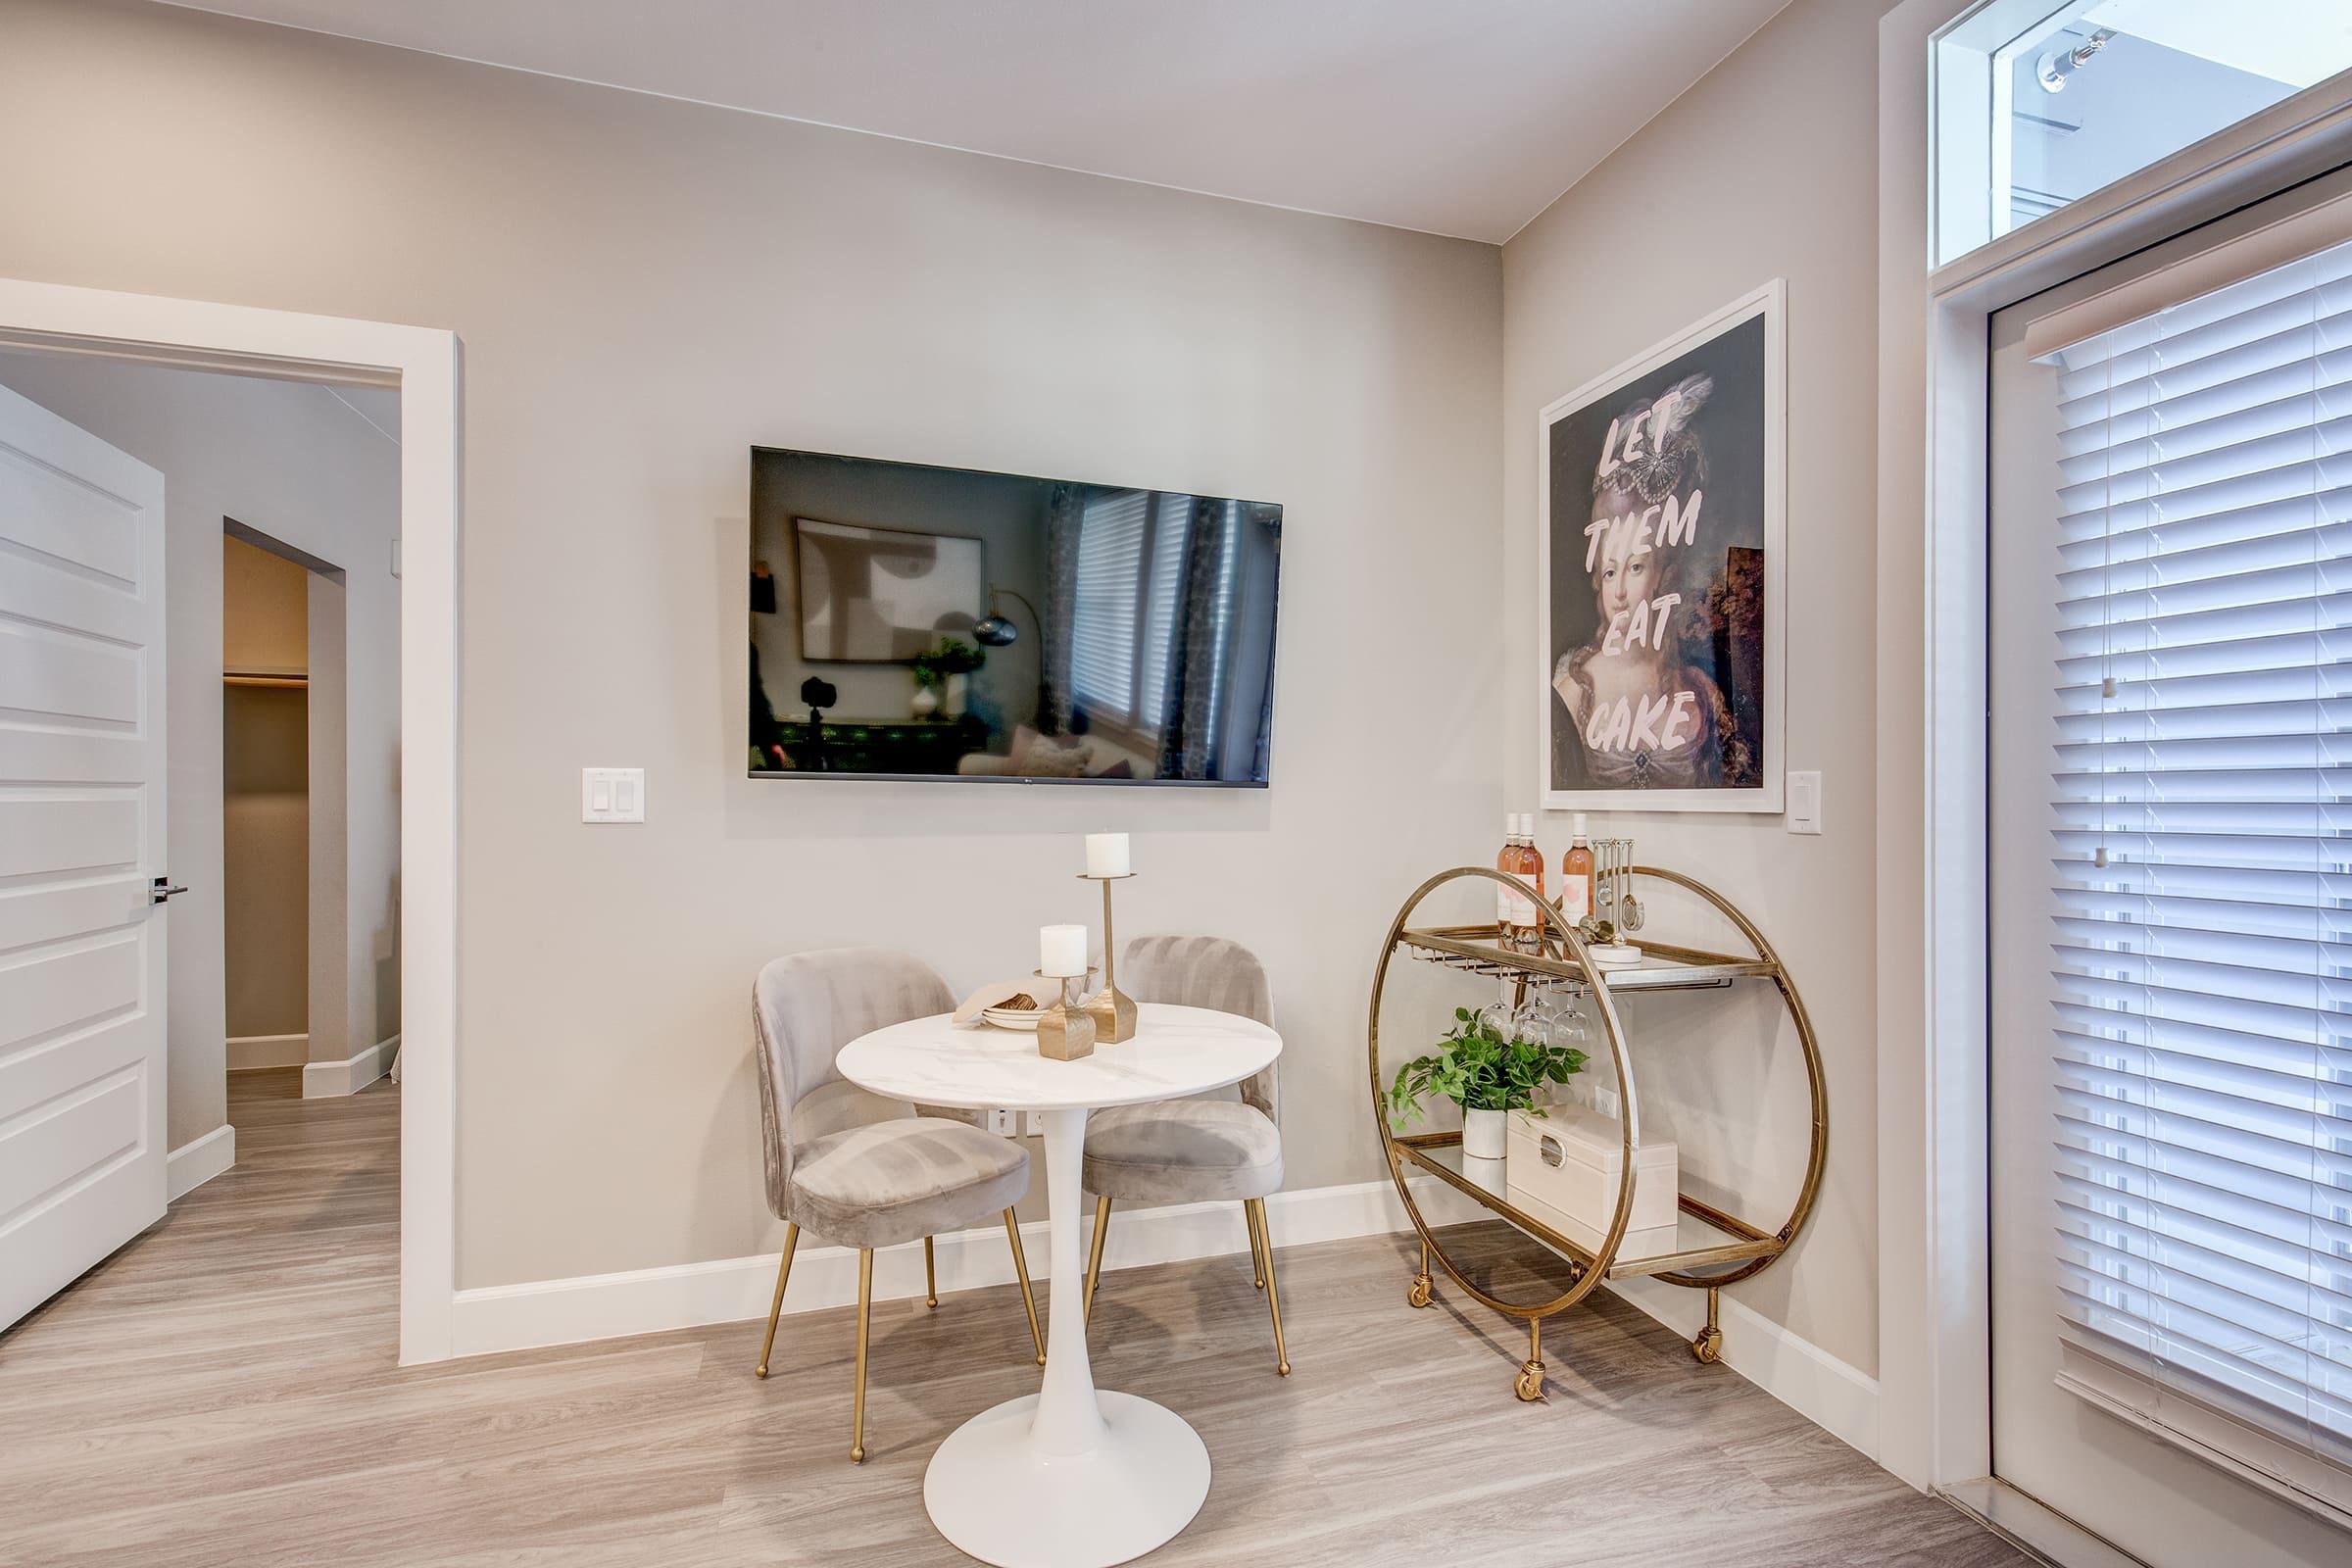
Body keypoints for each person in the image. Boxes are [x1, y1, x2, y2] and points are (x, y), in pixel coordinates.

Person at [1551, 372, 1750, 791]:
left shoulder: (1697, 691)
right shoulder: (1575, 689)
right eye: (1609, 573)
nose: (1619, 592)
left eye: (1636, 567)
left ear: (1666, 577)